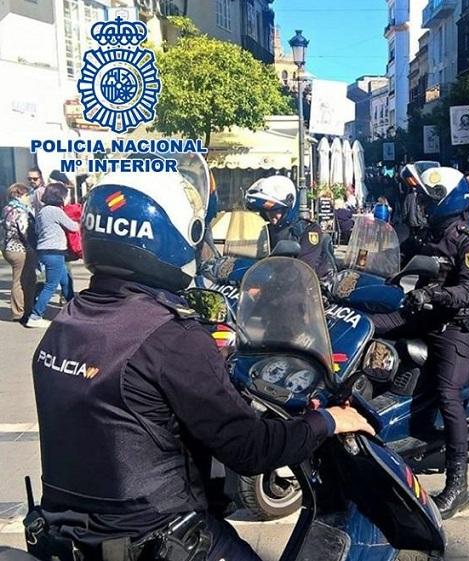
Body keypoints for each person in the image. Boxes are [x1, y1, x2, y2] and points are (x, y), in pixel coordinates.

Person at [30, 156, 374, 561]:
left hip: (65, 535)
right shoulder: (172, 336)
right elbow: (250, 450)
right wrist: (328, 419)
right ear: (176, 235)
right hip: (152, 537)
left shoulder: (69, 320)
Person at [385, 164, 469, 519]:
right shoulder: (425, 235)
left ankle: (458, 485)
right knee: (371, 327)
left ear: (448, 199)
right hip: (423, 316)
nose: (424, 205)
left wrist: (433, 296)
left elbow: (467, 291)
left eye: (430, 199)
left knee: (447, 392)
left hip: (454, 328)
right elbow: (392, 260)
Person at [245, 175, 335, 279]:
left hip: (304, 288)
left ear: (288, 208)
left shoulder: (309, 230)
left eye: (276, 210)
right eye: (268, 211)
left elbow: (304, 268)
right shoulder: (267, 230)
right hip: (273, 286)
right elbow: (259, 260)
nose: (271, 215)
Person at [26, 183, 79, 328]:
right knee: (51, 285)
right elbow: (73, 227)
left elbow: (37, 230)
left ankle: (72, 308)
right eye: (65, 195)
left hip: (46, 251)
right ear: (59, 196)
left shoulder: (43, 211)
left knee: (65, 280)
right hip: (54, 252)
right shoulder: (55, 211)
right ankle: (36, 316)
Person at [1, 183, 37, 321]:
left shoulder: (7, 208)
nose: (28, 197)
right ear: (19, 195)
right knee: (20, 280)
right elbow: (24, 230)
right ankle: (18, 311)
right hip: (19, 248)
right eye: (27, 195)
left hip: (7, 247)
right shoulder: (21, 211)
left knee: (20, 278)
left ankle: (21, 308)